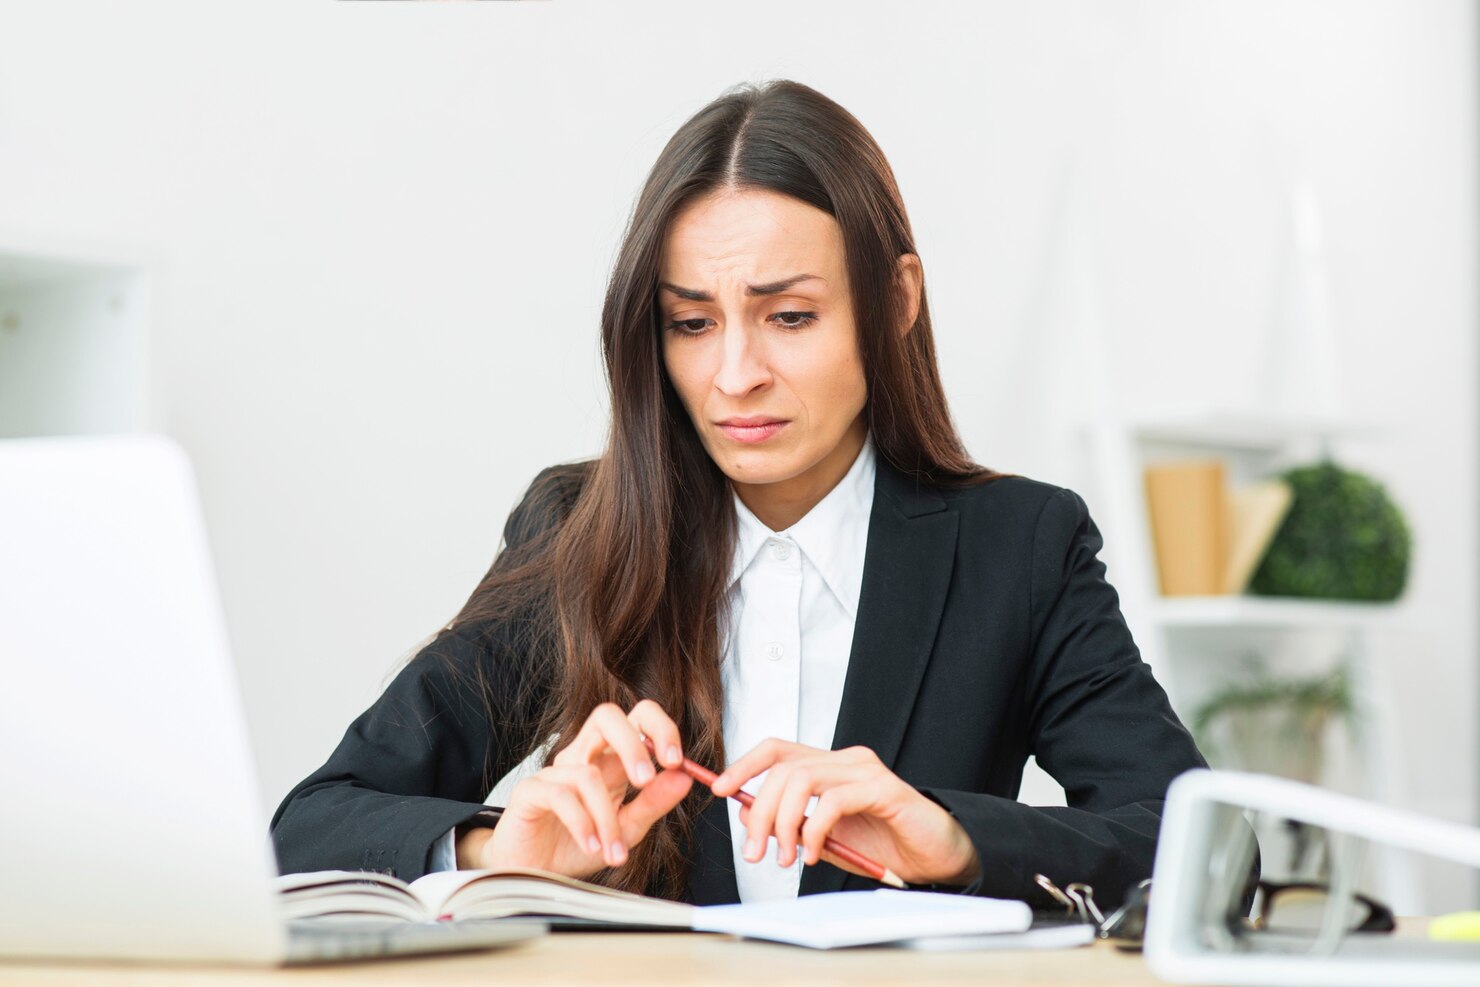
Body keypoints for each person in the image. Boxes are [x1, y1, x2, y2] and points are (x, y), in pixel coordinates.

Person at [270, 78, 1207, 910]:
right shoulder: (580, 533)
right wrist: (497, 853)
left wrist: (956, 840)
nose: (734, 374)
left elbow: (1202, 843)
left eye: (789, 316)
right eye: (691, 322)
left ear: (897, 300)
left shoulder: (1021, 546)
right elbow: (310, 825)